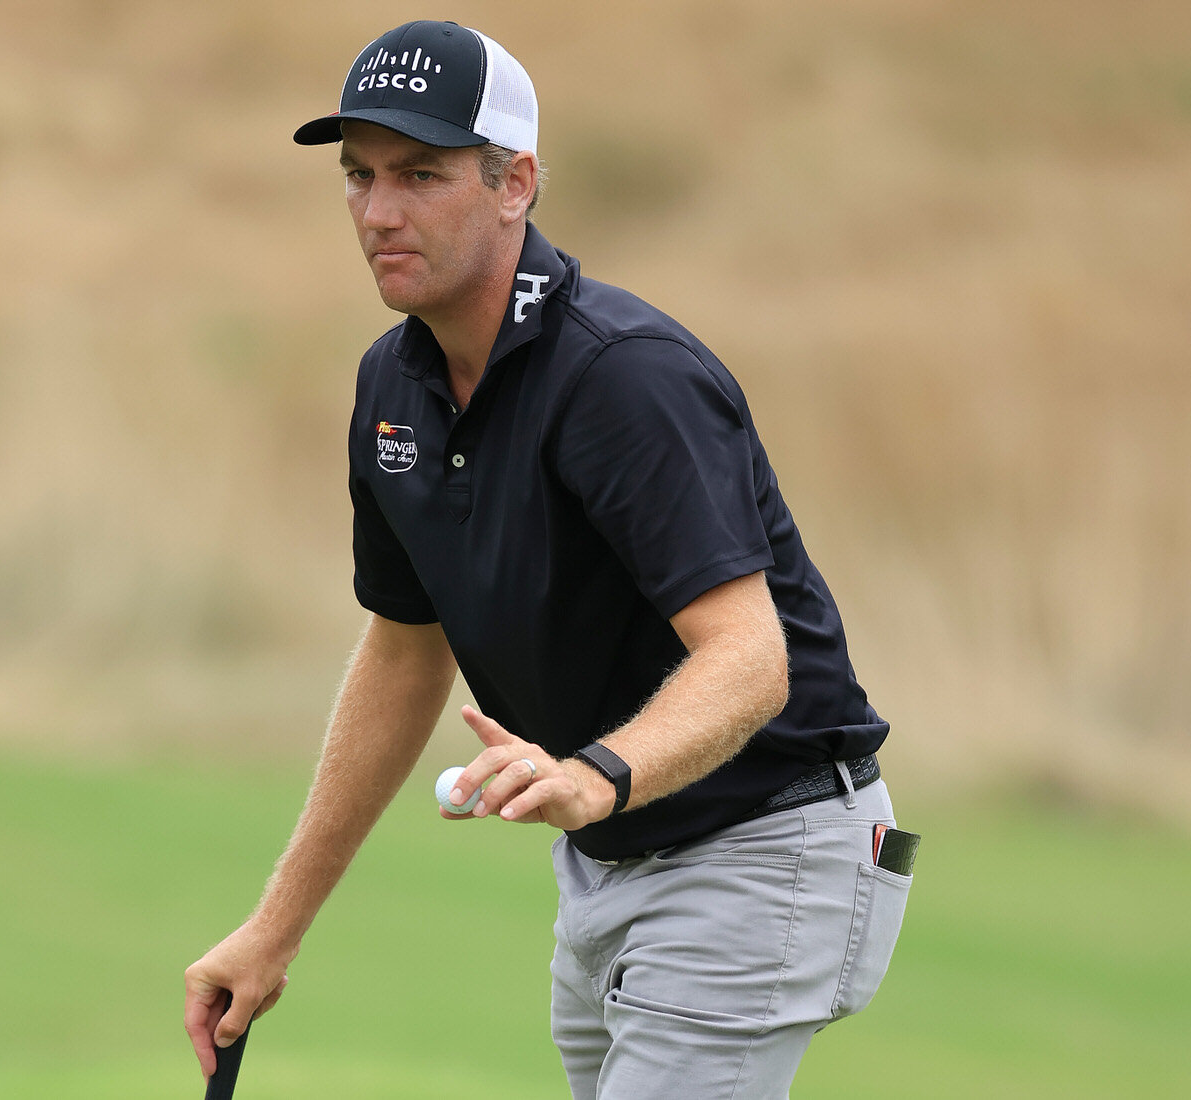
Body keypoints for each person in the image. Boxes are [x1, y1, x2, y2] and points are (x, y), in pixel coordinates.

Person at [184, 20, 915, 1099]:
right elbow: (403, 647)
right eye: (360, 176)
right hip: (611, 857)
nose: (379, 212)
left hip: (768, 840)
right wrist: (274, 925)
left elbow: (752, 658)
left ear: (515, 182)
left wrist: (591, 775)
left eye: (421, 175)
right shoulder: (395, 385)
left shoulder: (623, 379)